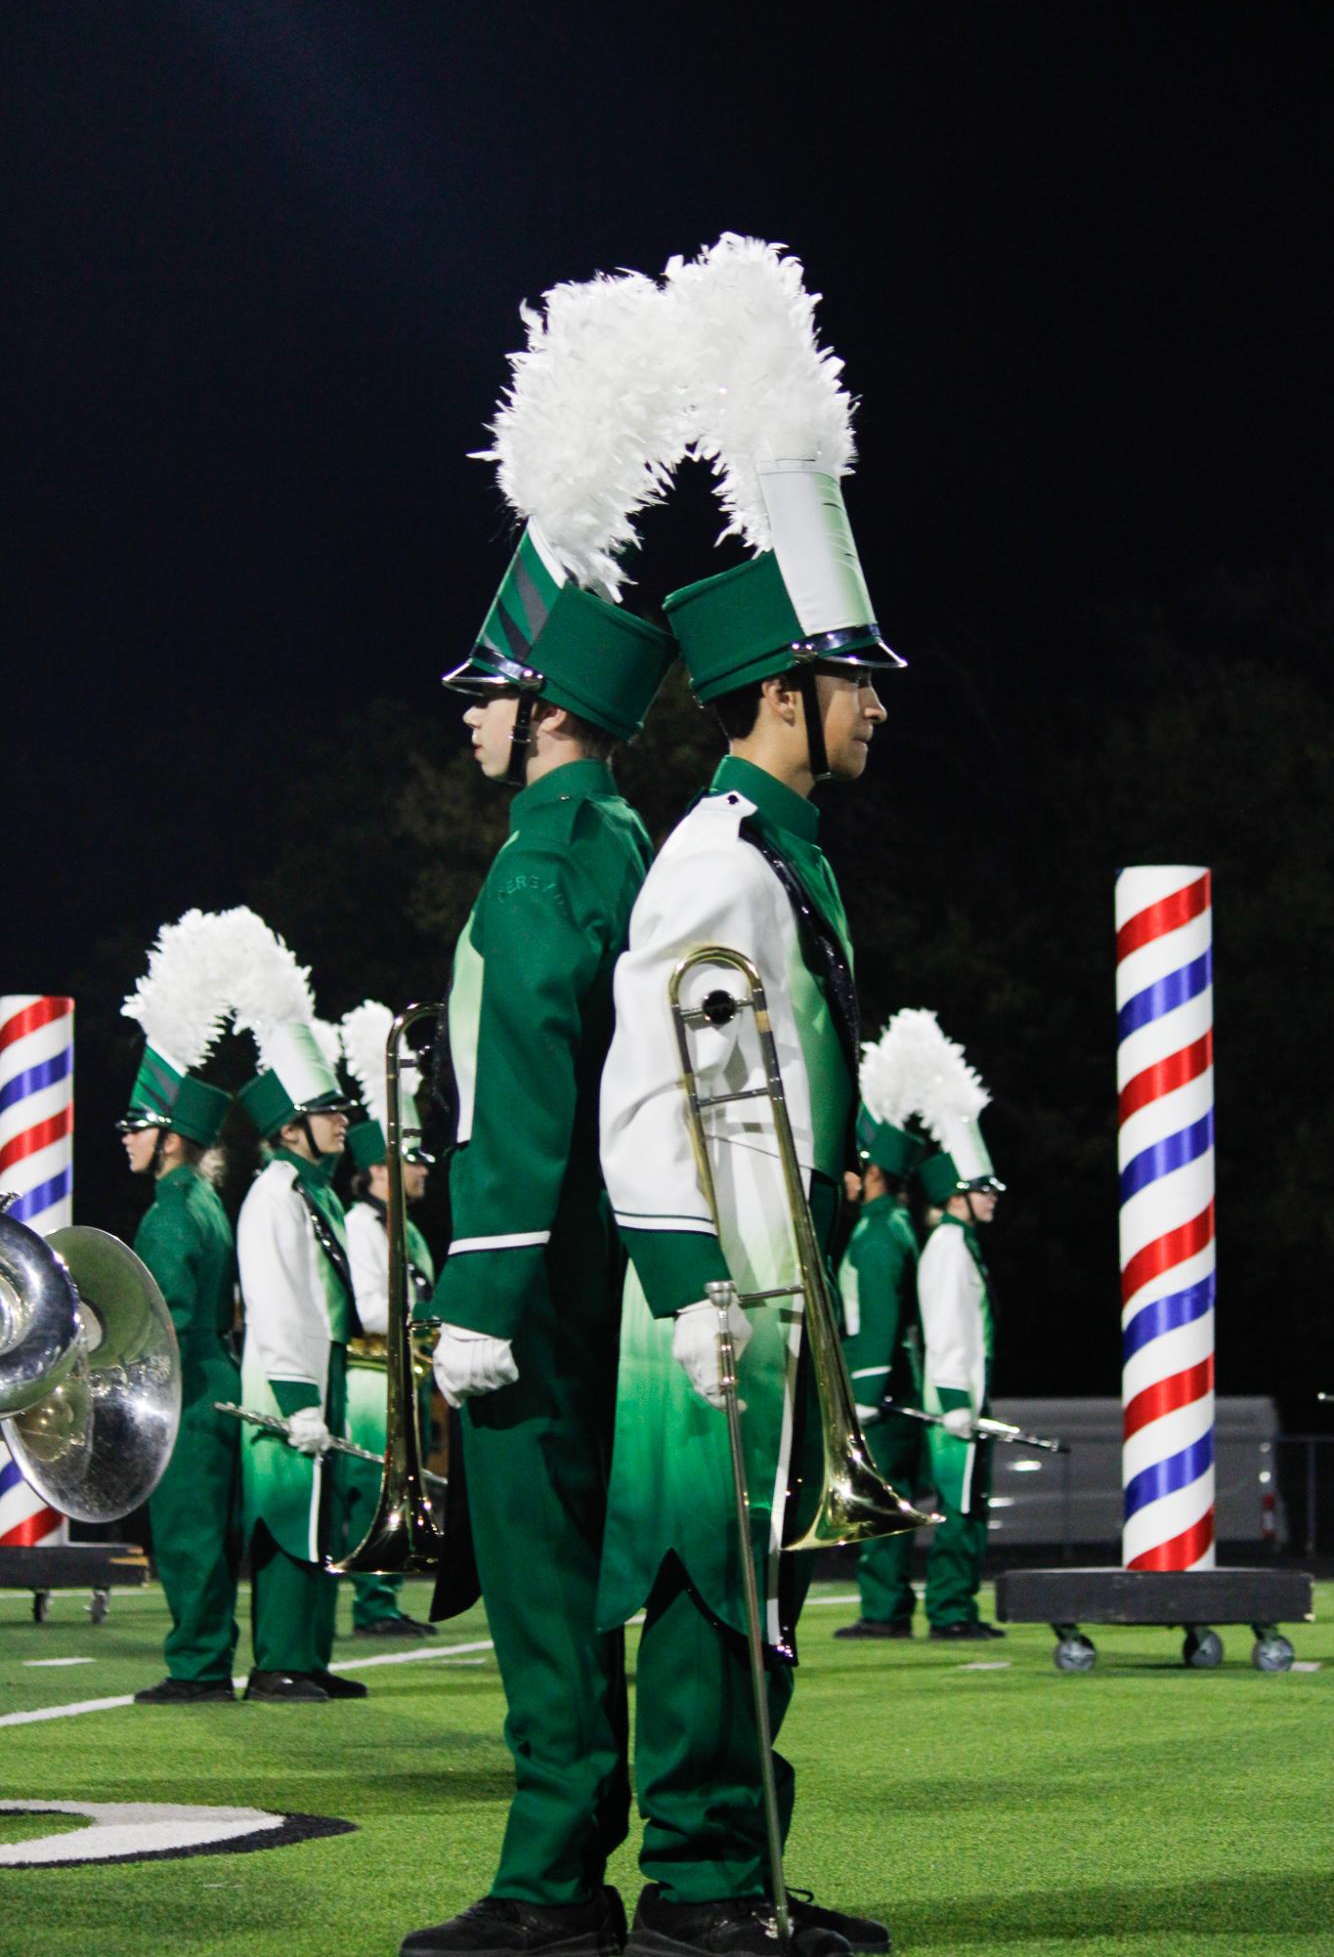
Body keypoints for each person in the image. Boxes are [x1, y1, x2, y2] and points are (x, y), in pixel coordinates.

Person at [598, 236, 929, 1957]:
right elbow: (645, 1089)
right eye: (853, 679)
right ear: (781, 694)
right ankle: (705, 1886)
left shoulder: (778, 850)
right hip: (704, 1301)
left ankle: (747, 1873)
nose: (876, 705)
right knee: (705, 1590)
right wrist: (691, 1293)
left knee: (766, 1602)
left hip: (764, 1283)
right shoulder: (714, 861)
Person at [399, 264, 679, 1957]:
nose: (472, 726)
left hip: (540, 1279)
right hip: (609, 1272)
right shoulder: (622, 845)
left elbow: (526, 1080)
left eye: (487, 698)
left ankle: (548, 1876)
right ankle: (571, 1852)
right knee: (581, 1572)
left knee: (545, 1578)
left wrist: (476, 1292)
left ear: (549, 708)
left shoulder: (542, 866)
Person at [233, 924, 366, 1702]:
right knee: (289, 1515)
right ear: (288, 1127)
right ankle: (278, 1659)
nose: (343, 1121)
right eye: (327, 1110)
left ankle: (308, 1655)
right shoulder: (275, 1194)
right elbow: (279, 1299)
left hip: (327, 1367)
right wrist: (297, 1399)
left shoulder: (318, 1192)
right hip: (289, 1377)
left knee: (325, 1514)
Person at [118, 910, 240, 1705]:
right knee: (210, 1532)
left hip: (187, 1385)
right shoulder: (206, 1199)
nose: (121, 1137)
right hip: (217, 1376)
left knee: (189, 1531)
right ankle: (206, 1654)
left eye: (134, 1124)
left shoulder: (167, 1212)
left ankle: (196, 1666)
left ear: (167, 1137)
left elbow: (157, 1313)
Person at [904, 1011, 1006, 1642]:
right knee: (959, 1510)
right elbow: (945, 1330)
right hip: (954, 1404)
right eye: (983, 1186)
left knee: (970, 1509)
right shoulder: (946, 1247)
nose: (995, 1196)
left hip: (966, 1399)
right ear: (956, 1194)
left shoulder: (959, 1244)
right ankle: (949, 1611)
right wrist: (952, 1403)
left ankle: (956, 1606)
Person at [339, 997, 438, 1637]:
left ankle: (387, 1598)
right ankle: (372, 1605)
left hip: (405, 1373)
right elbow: (374, 1309)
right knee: (373, 1488)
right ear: (380, 1170)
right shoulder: (360, 1225)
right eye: (412, 1159)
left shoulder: (410, 1232)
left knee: (403, 1484)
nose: (424, 1169)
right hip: (372, 1373)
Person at [833, 1082, 928, 1641]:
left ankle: (884, 1609)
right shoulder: (897, 1225)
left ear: (872, 1173)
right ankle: (890, 1604)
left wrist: (864, 1395)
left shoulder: (874, 1233)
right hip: (898, 1388)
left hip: (882, 1395)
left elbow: (877, 1320)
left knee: (880, 1502)